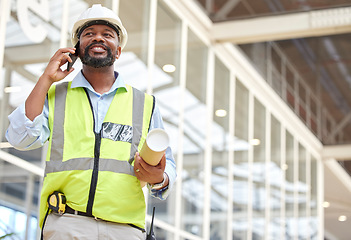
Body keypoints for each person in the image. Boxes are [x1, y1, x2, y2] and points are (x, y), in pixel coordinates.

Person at [5, 4, 176, 240]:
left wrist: (159, 178)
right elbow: (20, 138)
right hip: (66, 223)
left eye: (107, 34)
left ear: (117, 51)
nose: (98, 37)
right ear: (76, 49)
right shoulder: (55, 96)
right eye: (89, 33)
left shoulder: (145, 104)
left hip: (124, 228)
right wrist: (46, 79)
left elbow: (169, 170)